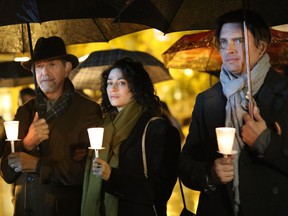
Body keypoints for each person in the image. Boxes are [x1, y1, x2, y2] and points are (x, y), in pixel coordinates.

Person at [178, 9, 288, 216]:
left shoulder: (283, 93)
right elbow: (186, 165)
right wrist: (210, 174)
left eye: (239, 41)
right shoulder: (207, 100)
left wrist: (266, 141)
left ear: (261, 46)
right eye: (223, 42)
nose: (229, 49)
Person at [0, 36, 102, 216]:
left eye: (52, 65)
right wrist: (27, 144)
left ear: (67, 68)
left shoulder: (87, 110)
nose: (44, 72)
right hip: (24, 209)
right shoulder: (25, 111)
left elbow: (88, 173)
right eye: (38, 66)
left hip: (63, 210)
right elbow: (7, 174)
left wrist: (39, 165)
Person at [81, 58, 181, 216]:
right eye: (109, 83)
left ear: (136, 87)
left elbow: (159, 190)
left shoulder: (158, 130)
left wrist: (112, 176)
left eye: (121, 83)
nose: (112, 88)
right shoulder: (104, 126)